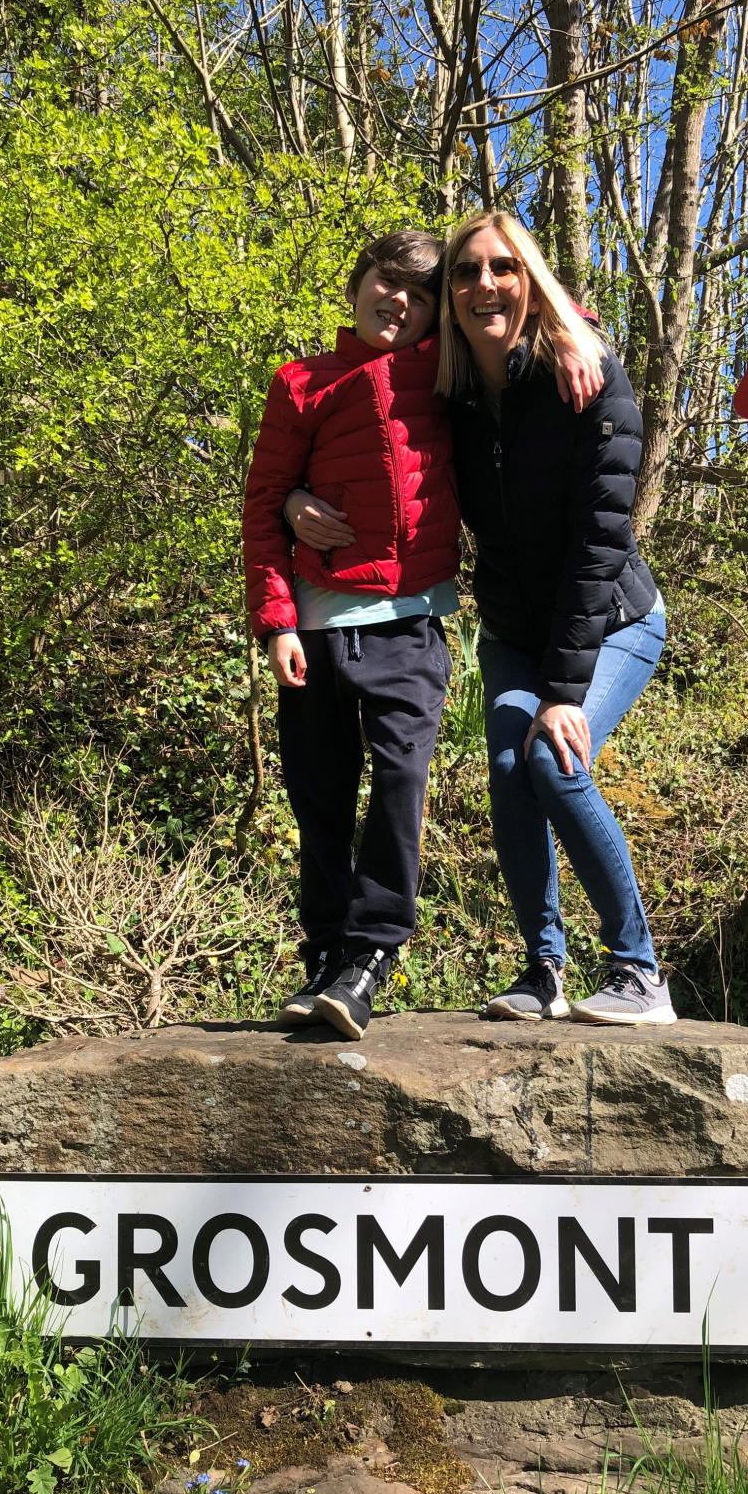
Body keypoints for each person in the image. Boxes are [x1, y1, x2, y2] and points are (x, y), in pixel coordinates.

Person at [245, 230, 604, 1040]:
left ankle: (371, 955)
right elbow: (263, 501)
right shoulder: (301, 383)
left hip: (412, 626)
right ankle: (325, 955)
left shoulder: (446, 375)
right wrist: (276, 616)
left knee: (401, 788)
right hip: (314, 626)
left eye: (417, 292)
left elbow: (511, 310)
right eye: (384, 281)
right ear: (357, 284)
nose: (397, 300)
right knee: (321, 801)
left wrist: (579, 329)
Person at [435, 211, 675, 1025]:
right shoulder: (451, 395)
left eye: (504, 267)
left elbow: (601, 537)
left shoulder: (587, 372)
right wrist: (295, 497)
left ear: (530, 279)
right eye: (465, 272)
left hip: (612, 621)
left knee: (554, 759)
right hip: (511, 631)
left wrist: (565, 690)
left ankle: (638, 971)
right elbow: (360, 417)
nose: (484, 284)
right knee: (508, 770)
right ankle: (544, 970)